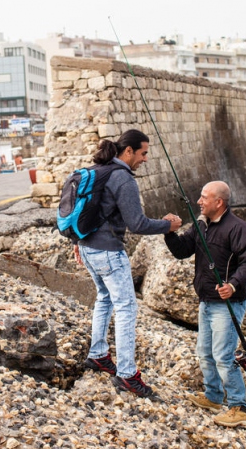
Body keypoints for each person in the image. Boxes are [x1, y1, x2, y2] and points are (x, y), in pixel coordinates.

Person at [76, 129, 182, 398]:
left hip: (87, 247)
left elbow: (85, 211)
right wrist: (168, 226)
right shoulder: (123, 179)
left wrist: (77, 243)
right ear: (128, 152)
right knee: (126, 309)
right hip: (109, 252)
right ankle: (126, 374)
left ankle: (98, 355)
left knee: (104, 299)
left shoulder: (98, 171)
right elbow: (138, 224)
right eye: (143, 153)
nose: (145, 159)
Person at [163, 181, 246, 428]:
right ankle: (213, 397)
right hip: (206, 300)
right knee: (205, 353)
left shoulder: (238, 228)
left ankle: (239, 407)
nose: (199, 201)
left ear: (219, 202)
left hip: (228, 303)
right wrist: (169, 232)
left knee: (224, 355)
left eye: (204, 197)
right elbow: (183, 251)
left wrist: (233, 285)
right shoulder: (201, 225)